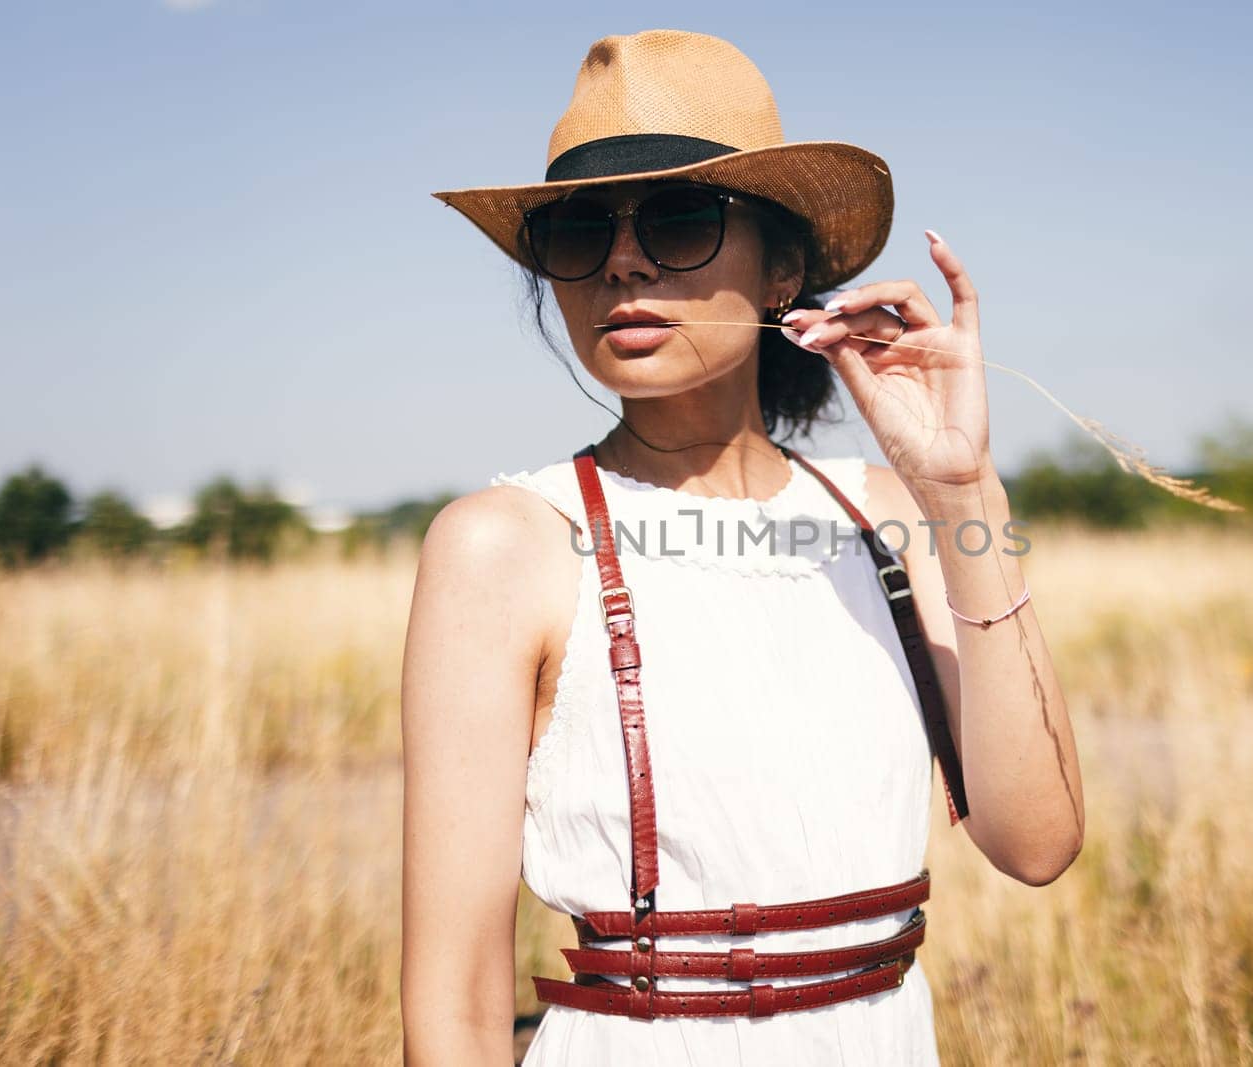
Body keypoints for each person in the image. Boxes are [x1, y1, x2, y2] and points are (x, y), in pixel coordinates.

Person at [400, 28, 1083, 1066]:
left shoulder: (890, 519)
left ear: (785, 269)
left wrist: (963, 490)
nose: (623, 259)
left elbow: (1037, 842)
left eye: (678, 216)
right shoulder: (507, 544)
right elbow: (452, 1002)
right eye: (580, 232)